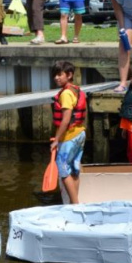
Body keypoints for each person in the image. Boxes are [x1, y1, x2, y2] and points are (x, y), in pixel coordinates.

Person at [50, 61, 87, 204]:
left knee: (63, 170)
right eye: (55, 75)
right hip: (80, 134)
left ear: (69, 75)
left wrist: (56, 140)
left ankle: (75, 204)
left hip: (70, 136)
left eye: (60, 75)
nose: (56, 78)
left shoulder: (65, 93)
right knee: (74, 169)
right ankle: (74, 201)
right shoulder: (75, 90)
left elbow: (65, 120)